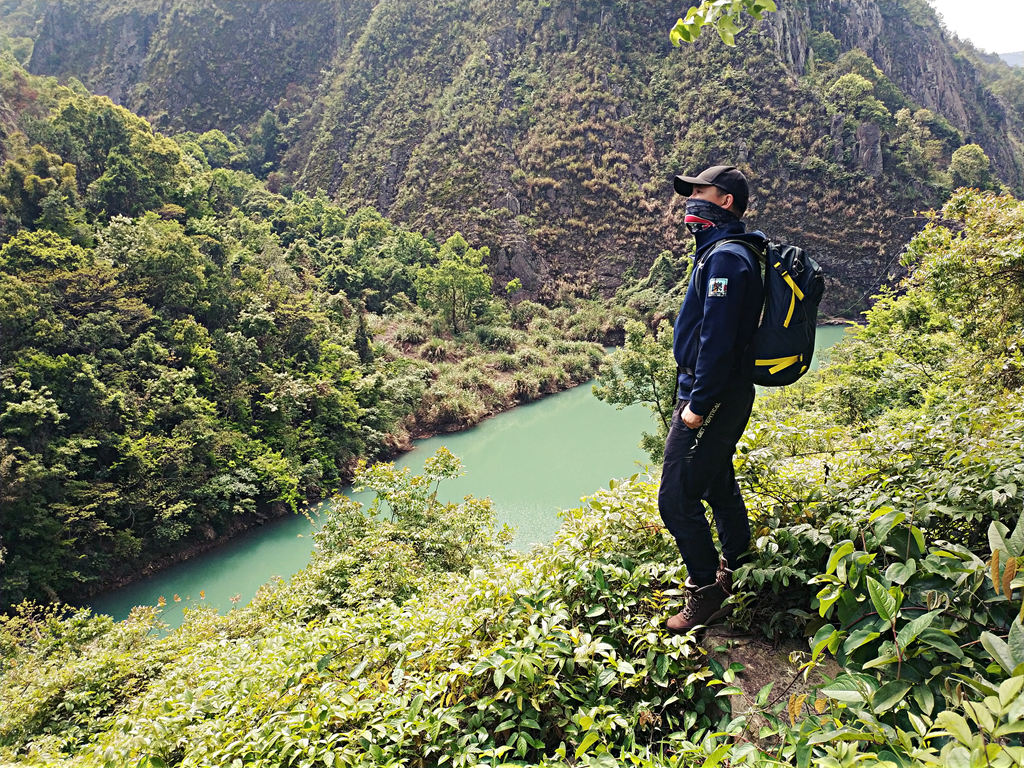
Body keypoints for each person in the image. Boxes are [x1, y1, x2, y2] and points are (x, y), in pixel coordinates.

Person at [659, 165, 767, 633]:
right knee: (717, 482)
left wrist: (697, 407)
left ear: (725, 201)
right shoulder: (719, 253)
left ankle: (705, 591)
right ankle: (738, 569)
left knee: (676, 498)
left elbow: (718, 342)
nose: (690, 200)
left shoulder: (726, 259)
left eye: (700, 192)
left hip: (712, 394)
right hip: (718, 390)